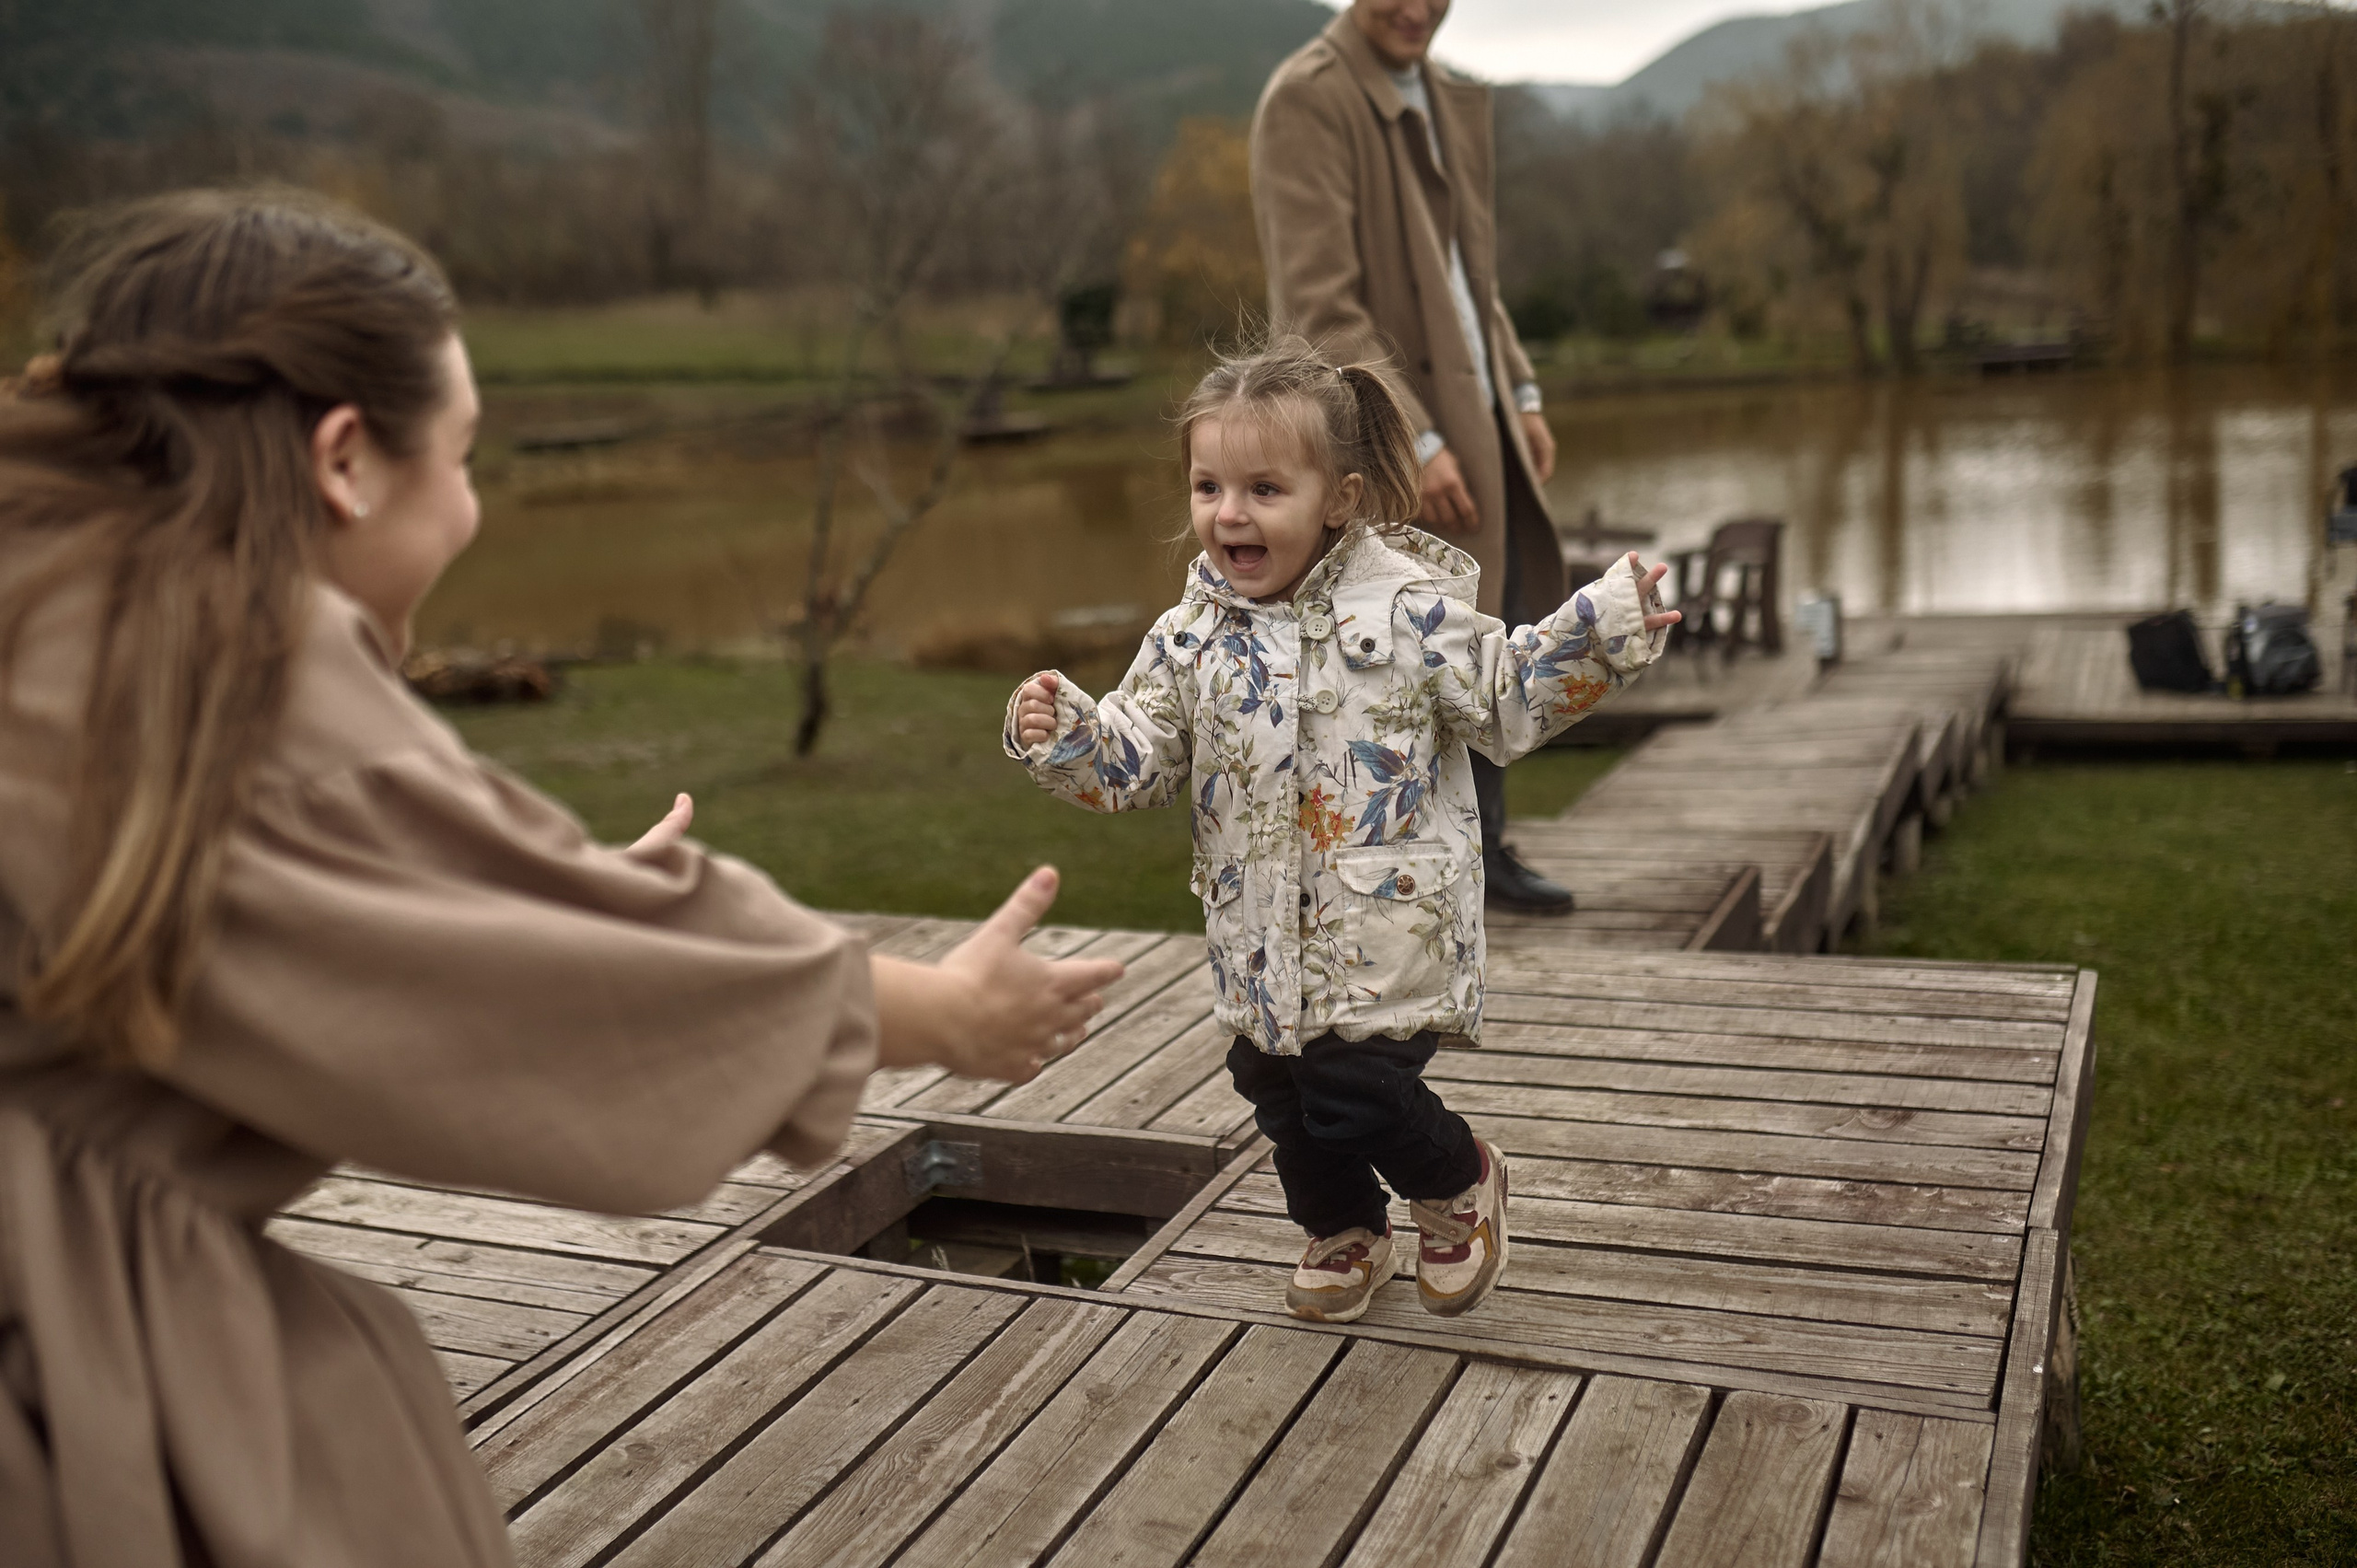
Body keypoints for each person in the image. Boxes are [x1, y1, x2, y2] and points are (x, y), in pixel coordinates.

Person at [0, 189, 1124, 1568]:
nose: (471, 504)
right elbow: (565, 990)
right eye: (465, 456)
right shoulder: (219, 644)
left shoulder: (54, 586)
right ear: (344, 458)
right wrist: (947, 1012)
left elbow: (310, 914)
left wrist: (524, 898)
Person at [1005, 341, 1677, 1324]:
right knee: (1274, 1086)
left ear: (1339, 498)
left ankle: (1457, 1182)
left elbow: (1506, 693)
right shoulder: (1188, 640)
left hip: (1385, 931)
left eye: (1263, 487)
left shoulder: (1408, 614)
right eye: (1209, 485)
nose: (1229, 512)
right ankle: (1345, 1229)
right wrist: (1068, 736)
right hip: (1258, 936)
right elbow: (1138, 754)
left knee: (1355, 1088)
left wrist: (1603, 629)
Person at [1251, 0, 1579, 913]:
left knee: (1491, 642)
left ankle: (1484, 854)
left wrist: (1522, 394)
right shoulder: (1307, 101)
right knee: (1402, 670)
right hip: (1388, 442)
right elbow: (1321, 307)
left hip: (1480, 424)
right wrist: (1418, 438)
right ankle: (1412, 878)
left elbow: (1475, 279)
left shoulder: (1441, 94)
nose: (1416, 8)